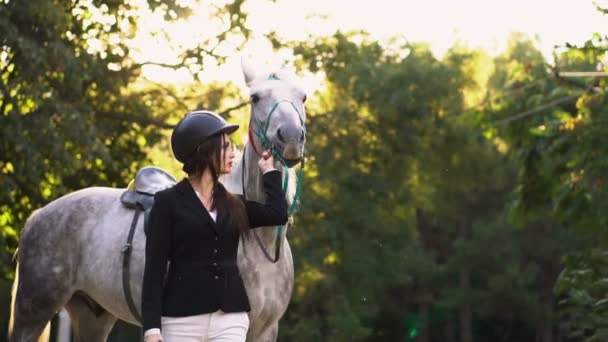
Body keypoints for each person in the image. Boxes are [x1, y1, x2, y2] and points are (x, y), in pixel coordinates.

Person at [141, 110, 288, 342]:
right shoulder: (167, 202)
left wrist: (269, 171)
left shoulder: (233, 203)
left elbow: (278, 214)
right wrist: (151, 329)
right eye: (226, 147)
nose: (233, 153)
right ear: (204, 150)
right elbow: (154, 270)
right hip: (180, 321)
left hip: (230, 320)